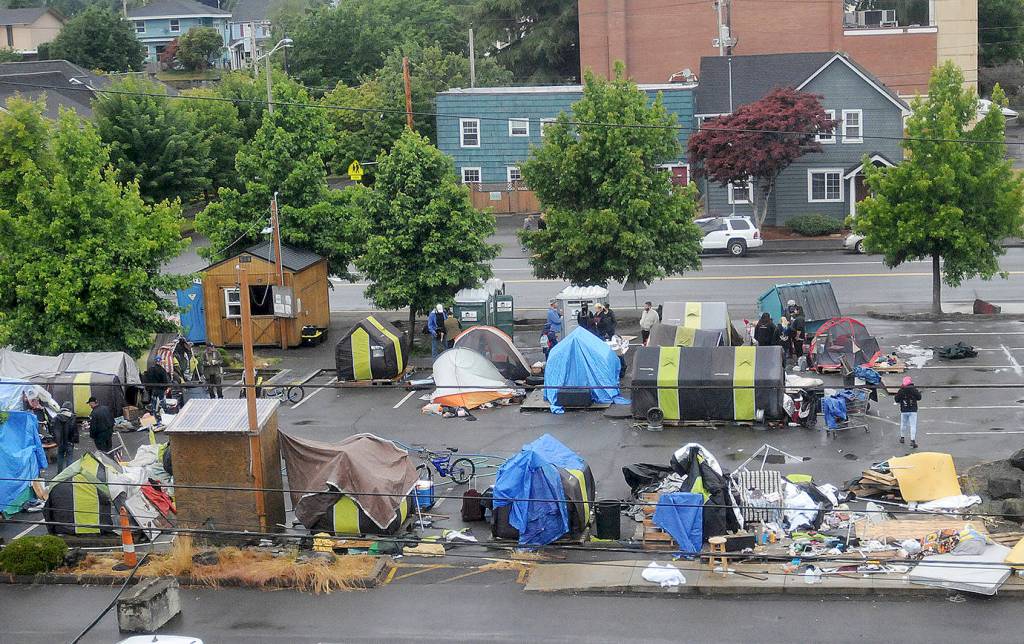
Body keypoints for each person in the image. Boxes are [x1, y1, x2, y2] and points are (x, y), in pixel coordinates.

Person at [895, 376, 922, 448]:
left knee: (903, 424)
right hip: (913, 410)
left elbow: (896, 399)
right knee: (913, 425)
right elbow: (919, 397)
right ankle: (912, 440)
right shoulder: (913, 389)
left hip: (904, 409)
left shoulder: (901, 390)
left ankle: (902, 437)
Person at [51, 401, 77, 472]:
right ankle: (68, 474)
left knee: (60, 456)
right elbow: (74, 430)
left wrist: (56, 439)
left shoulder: (56, 417)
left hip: (60, 442)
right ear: (70, 408)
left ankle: (59, 473)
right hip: (69, 441)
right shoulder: (72, 417)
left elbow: (53, 429)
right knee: (69, 458)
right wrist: (74, 440)